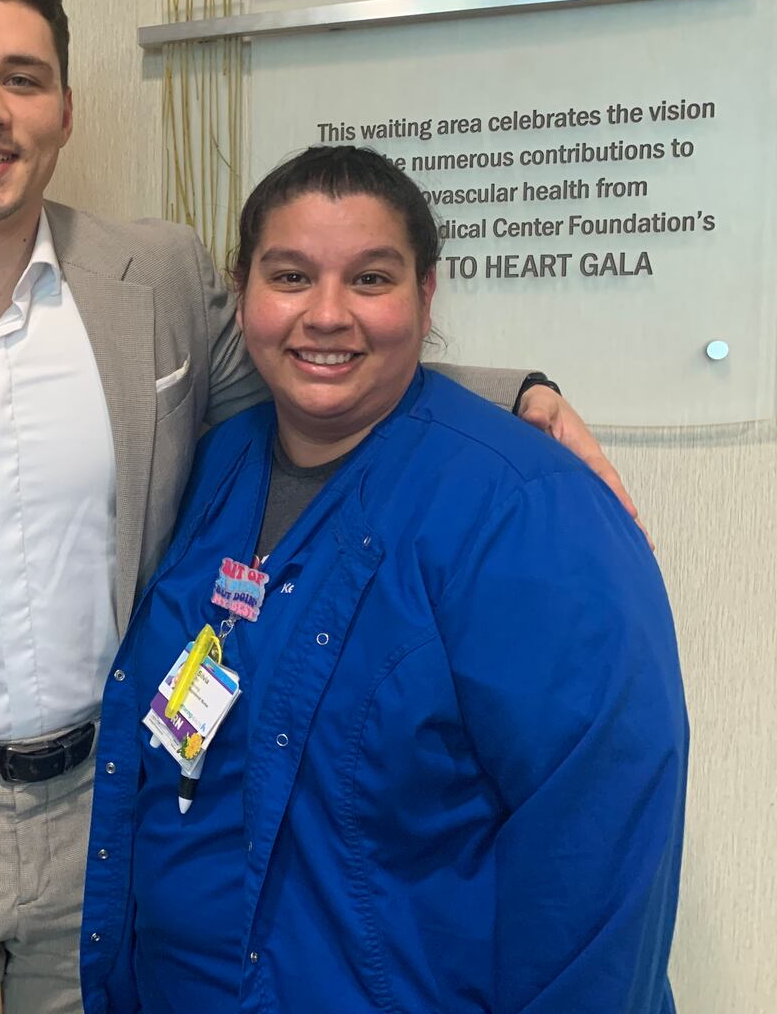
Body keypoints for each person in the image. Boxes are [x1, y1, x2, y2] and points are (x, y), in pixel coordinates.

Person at [0, 0, 633, 1013]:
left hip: (110, 803)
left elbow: (301, 361)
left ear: (64, 110)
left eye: (22, 79)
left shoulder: (151, 279)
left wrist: (514, 393)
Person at [79, 146, 687, 1013]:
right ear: (242, 290)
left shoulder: (527, 511)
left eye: (371, 280)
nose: (326, 315)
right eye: (290, 276)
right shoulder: (215, 469)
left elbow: (602, 845)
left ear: (426, 296)